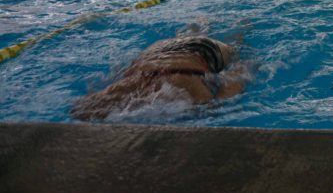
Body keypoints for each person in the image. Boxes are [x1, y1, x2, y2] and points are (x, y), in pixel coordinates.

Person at [71, 35, 246, 121]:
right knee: (238, 44)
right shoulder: (201, 99)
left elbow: (80, 111)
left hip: (161, 55)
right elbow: (236, 78)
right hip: (168, 53)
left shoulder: (124, 88)